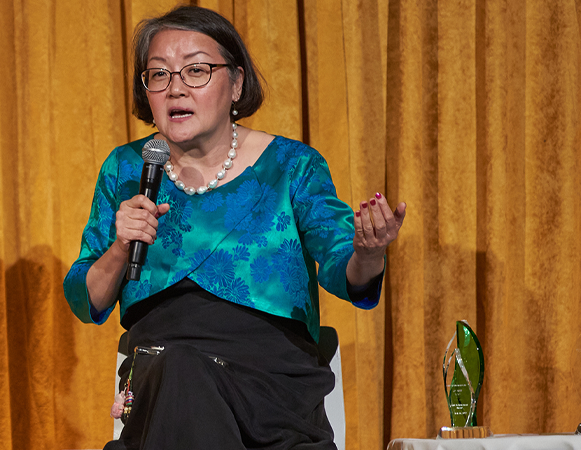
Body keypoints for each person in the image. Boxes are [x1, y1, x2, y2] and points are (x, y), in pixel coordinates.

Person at [62, 6, 407, 450]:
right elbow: (84, 296)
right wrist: (119, 247)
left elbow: (345, 268)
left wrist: (369, 252)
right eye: (159, 75)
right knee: (181, 373)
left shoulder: (291, 166)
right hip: (162, 380)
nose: (175, 88)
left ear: (237, 83)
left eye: (196, 71)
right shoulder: (126, 169)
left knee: (184, 381)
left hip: (273, 391)